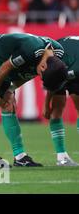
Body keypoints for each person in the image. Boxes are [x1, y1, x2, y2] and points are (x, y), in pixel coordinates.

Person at [0, 33, 67, 167]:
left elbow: (29, 74)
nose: (38, 76)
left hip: (3, 64)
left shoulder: (58, 55)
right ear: (43, 66)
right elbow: (6, 66)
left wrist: (11, 89)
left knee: (9, 105)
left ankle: (20, 156)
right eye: (41, 74)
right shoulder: (30, 50)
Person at [43, 36, 79, 166]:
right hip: (61, 62)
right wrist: (46, 105)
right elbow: (55, 80)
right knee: (58, 107)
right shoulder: (73, 68)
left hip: (71, 58)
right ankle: (61, 157)